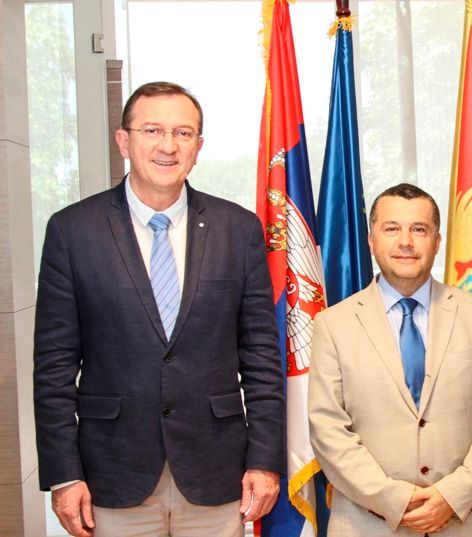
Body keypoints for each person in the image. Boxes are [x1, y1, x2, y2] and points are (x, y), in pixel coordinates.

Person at [33, 81, 285, 537]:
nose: (168, 146)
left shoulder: (238, 229)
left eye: (183, 133)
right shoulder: (73, 231)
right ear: (123, 141)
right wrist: (64, 474)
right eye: (152, 131)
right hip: (112, 471)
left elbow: (262, 358)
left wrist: (265, 461)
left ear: (198, 147)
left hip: (216, 471)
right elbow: (53, 367)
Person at [308, 183, 472, 536]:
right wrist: (393, 500)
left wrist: (451, 496)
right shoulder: (333, 324)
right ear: (371, 240)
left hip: (467, 520)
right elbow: (327, 427)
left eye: (419, 229)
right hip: (367, 524)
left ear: (437, 241)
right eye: (391, 229)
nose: (405, 241)